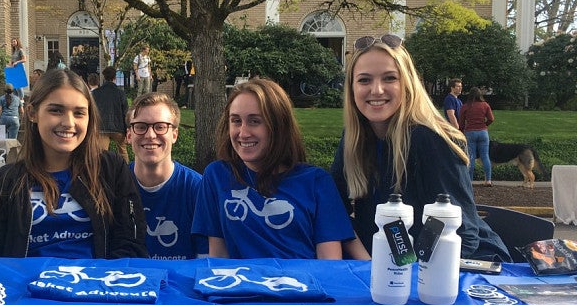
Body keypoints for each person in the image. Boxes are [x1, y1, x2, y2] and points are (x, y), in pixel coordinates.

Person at [331, 34, 510, 261]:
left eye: (389, 78)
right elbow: (335, 212)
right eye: (364, 80)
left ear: (407, 85)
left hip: (464, 267)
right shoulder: (353, 139)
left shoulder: (430, 139)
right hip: (386, 269)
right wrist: (367, 263)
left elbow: (460, 233)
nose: (376, 90)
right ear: (351, 88)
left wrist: (403, 275)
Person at [0, 68, 148, 259]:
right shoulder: (3, 182)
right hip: (26, 287)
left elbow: (130, 245)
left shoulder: (111, 170)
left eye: (79, 113)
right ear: (32, 112)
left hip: (95, 285)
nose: (69, 122)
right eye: (56, 110)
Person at [191, 78, 355, 259]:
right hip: (241, 286)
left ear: (278, 126)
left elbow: (329, 264)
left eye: (255, 121)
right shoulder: (217, 176)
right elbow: (218, 258)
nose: (243, 133)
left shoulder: (316, 181)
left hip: (301, 285)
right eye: (236, 121)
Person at [127, 92, 207, 260]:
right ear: (129, 135)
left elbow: (205, 260)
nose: (150, 135)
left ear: (174, 135)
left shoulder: (197, 189)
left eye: (160, 126)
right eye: (141, 126)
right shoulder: (114, 186)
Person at [92, 66, 129, 164]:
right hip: (119, 128)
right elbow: (126, 112)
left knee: (102, 154)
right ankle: (126, 172)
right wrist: (127, 130)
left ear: (103, 77)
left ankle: (103, 172)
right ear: (115, 77)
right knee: (123, 152)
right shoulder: (120, 93)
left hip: (102, 127)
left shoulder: (95, 93)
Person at [459, 86, 495, 187]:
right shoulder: (485, 105)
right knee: (485, 156)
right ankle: (488, 180)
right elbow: (491, 119)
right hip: (483, 132)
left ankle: (470, 181)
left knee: (471, 157)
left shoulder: (465, 106)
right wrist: (485, 125)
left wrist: (462, 130)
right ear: (480, 95)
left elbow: (461, 123)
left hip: (470, 132)